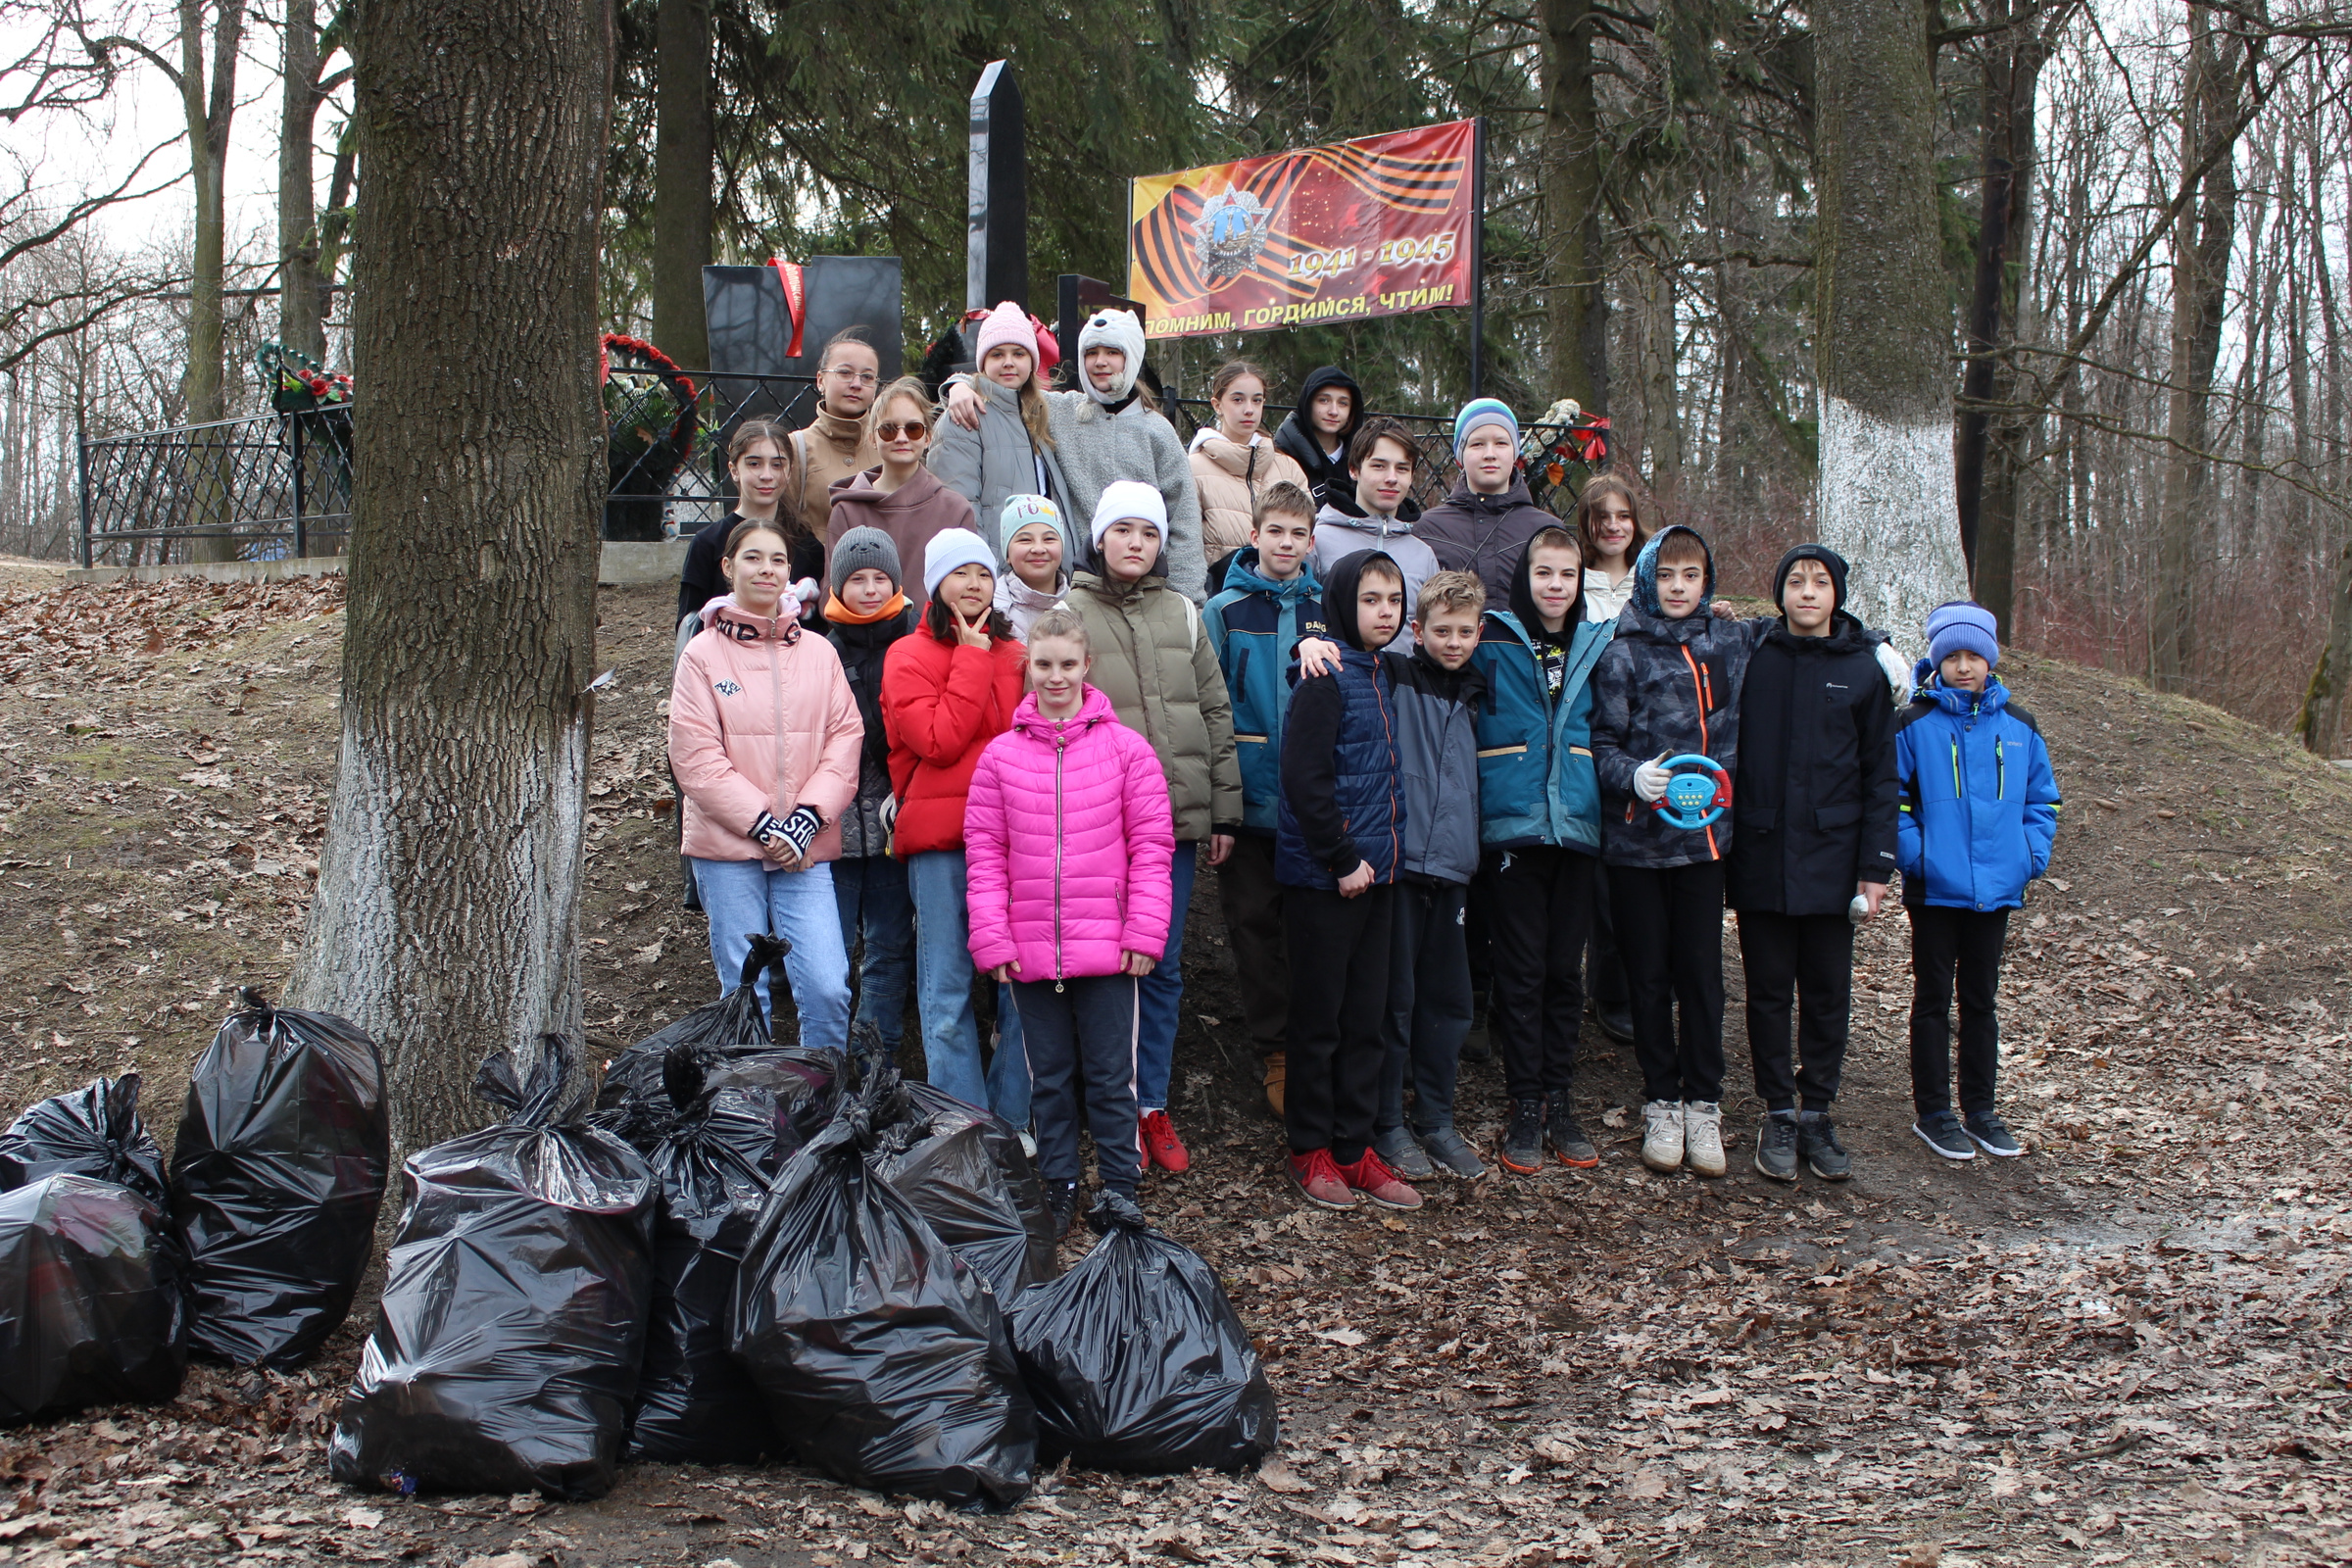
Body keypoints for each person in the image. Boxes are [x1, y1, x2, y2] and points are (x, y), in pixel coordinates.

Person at [963, 608, 1175, 1233]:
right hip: (1031, 948)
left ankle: (1119, 1186)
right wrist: (993, 938)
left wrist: (1142, 932)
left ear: (1087, 666)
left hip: (1107, 947)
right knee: (1048, 1078)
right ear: (1029, 669)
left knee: (1112, 1077)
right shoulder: (1000, 759)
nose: (1056, 677)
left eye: (1067, 664)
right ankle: (1058, 1183)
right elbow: (985, 854)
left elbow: (1152, 847)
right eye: (1043, 665)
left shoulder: (1126, 750)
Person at [1066, 480, 1242, 1176]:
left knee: (1162, 966)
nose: (1135, 544)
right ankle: (1108, 1104)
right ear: (1100, 537)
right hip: (1100, 831)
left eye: (1148, 533)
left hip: (1174, 827)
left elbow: (1214, 711)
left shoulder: (1183, 613)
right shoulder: (1070, 613)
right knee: (1109, 969)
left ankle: (1151, 1105)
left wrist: (1224, 808)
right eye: (1123, 531)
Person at [1589, 524, 1768, 1180]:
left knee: (1702, 978)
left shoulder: (1730, 641)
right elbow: (1601, 745)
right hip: (1637, 844)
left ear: (1707, 582)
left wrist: (1878, 644)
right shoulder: (1622, 652)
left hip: (1702, 845)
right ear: (1646, 579)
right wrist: (1631, 777)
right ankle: (1661, 1099)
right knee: (1649, 976)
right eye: (1666, 576)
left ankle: (1704, 1102)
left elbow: (1806, 630)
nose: (1678, 588)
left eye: (1690, 577)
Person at [1727, 546, 1900, 1184]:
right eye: (1794, 582)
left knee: (1827, 994)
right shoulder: (1755, 658)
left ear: (1838, 594)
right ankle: (1777, 1111)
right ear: (1778, 593)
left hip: (1835, 860)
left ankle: (1817, 1111)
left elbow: (1882, 776)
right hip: (1761, 853)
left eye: (1819, 582)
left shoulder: (1864, 671)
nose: (1806, 592)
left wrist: (1876, 868)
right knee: (1768, 992)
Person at [668, 516, 861, 1050]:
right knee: (745, 993)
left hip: (804, 846)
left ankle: (825, 1103)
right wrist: (763, 825)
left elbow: (844, 741)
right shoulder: (702, 655)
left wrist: (802, 822)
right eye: (753, 557)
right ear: (729, 568)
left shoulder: (819, 652)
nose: (767, 569)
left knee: (827, 986)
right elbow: (696, 758)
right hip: (729, 848)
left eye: (778, 559)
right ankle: (750, 1112)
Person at [1468, 527, 1619, 1175]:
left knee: (1565, 971)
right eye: (1544, 573)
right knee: (1522, 971)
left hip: (1578, 828)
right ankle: (1523, 1100)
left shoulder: (1598, 642)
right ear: (1524, 579)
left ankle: (1561, 1097)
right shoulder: (1492, 639)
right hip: (1514, 829)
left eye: (1568, 574)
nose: (1556, 586)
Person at [1277, 549, 1418, 1211]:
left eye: (1393, 600)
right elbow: (1305, 781)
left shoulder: (1382, 671)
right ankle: (1310, 1149)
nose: (1384, 611)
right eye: (1370, 599)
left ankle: (1355, 1145)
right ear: (1340, 603)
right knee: (1320, 1020)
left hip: (1380, 876)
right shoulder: (1324, 676)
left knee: (1368, 1018)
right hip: (1326, 880)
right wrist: (1339, 858)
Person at [1896, 601, 2060, 1163]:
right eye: (1953, 657)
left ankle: (1982, 1110)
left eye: (1974, 656)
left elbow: (2043, 799)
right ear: (1936, 663)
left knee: (1981, 1001)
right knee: (1933, 998)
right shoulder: (1915, 724)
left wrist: (2030, 856)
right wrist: (1916, 854)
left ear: (1990, 661)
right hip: (1935, 885)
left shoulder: (2020, 726)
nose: (1964, 667)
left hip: (1997, 886)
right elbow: (1891, 798)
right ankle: (1934, 1112)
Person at [881, 528, 1033, 1124]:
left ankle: (1013, 1122)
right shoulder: (907, 655)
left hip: (1015, 840)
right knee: (945, 990)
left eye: (983, 574)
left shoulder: (1018, 654)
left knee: (1024, 986)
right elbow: (939, 741)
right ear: (936, 585)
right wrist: (971, 657)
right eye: (960, 573)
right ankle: (961, 1126)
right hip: (941, 842)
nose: (974, 585)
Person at [1201, 481, 1325, 1117]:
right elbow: (1211, 709)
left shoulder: (1327, 609)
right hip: (1248, 803)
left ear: (1311, 542)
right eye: (1274, 531)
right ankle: (1273, 1049)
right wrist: (1221, 807)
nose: (1285, 543)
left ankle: (1311, 1045)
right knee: (1253, 927)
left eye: (1297, 534)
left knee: (1309, 930)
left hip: (1311, 809)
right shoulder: (1223, 610)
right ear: (1253, 536)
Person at [947, 308, 1208, 603]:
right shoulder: (1061, 411)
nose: (1100, 362)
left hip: (1146, 591)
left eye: (1112, 352)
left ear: (1131, 356)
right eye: (1091, 352)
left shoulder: (1157, 432)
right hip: (1080, 587)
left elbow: (1184, 521)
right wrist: (960, 385)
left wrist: (1186, 600)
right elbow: (1009, 385)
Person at [1372, 569, 1490, 1182]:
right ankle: (1388, 1119)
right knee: (1397, 998)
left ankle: (1437, 1118)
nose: (1452, 642)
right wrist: (1309, 640)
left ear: (1479, 633)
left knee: (1448, 1000)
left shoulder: (1479, 691)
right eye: (1441, 630)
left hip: (1455, 867)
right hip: (1403, 861)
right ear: (1416, 631)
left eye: (1464, 632)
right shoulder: (1395, 675)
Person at [824, 526, 922, 1056]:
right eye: (856, 579)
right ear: (838, 587)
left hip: (892, 823)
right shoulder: (820, 649)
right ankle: (830, 1054)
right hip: (834, 827)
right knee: (831, 949)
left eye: (880, 578)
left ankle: (875, 1055)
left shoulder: (913, 643)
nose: (869, 589)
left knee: (887, 944)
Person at [928, 300, 1071, 529]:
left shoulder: (1044, 414)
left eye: (1018, 353)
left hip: (1045, 559)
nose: (1008, 363)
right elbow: (957, 507)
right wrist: (983, 564)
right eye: (997, 354)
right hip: (993, 562)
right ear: (983, 362)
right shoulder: (964, 415)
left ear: (1032, 361)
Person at [1310, 417, 1440, 653]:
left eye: (1402, 468)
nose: (1391, 477)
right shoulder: (1317, 540)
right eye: (1379, 466)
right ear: (1354, 469)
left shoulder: (1424, 555)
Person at [825, 376, 977, 577]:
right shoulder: (847, 510)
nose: (901, 438)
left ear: (928, 437)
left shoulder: (956, 510)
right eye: (888, 429)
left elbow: (970, 583)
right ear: (872, 437)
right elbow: (833, 588)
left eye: (913, 429)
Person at [679, 418, 823, 626]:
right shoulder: (707, 543)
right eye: (754, 464)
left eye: (777, 464)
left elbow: (817, 629)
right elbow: (689, 624)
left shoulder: (806, 544)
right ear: (734, 470)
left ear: (790, 471)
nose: (767, 475)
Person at [1419, 399, 1558, 606]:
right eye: (1477, 444)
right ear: (1460, 456)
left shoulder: (1547, 530)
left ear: (1515, 452)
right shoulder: (1426, 530)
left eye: (1501, 443)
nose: (1490, 454)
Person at [1190, 359, 1310, 582]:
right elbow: (1185, 544)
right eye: (1238, 399)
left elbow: (1309, 539)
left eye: (1257, 400)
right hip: (1220, 597)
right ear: (1217, 405)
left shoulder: (1289, 468)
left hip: (1285, 596)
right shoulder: (1193, 468)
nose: (1249, 409)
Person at [793, 327, 883, 522]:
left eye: (867, 377)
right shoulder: (795, 447)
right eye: (845, 373)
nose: (856, 384)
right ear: (820, 380)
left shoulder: (890, 443)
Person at [1271, 365, 1364, 505]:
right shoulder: (1282, 455)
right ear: (1308, 403)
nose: (1333, 411)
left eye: (1343, 403)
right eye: (1324, 400)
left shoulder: (1363, 458)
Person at [1574, 474, 1651, 623]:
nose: (1613, 526)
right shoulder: (1571, 586)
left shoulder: (1653, 584)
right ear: (1586, 523)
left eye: (1623, 516)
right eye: (1602, 517)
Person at [995, 494, 1073, 640]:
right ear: (1007, 554)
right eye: (1025, 540)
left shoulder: (1078, 606)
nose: (1038, 549)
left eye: (1049, 539)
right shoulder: (992, 609)